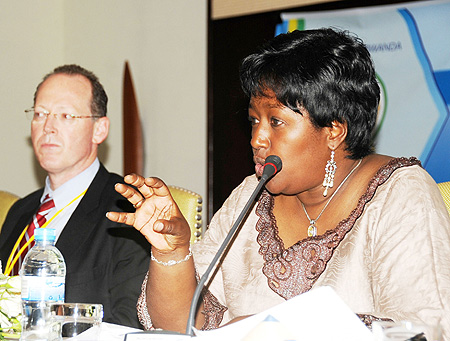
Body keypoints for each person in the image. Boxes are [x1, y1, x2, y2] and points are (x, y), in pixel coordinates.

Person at [107, 28, 450, 338]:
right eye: (254, 120)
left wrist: (276, 328)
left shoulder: (400, 193)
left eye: (276, 121)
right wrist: (172, 251)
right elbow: (181, 328)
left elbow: (425, 329)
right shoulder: (250, 196)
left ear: (334, 130)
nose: (257, 138)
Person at [0, 64, 150, 328]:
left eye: (66, 116)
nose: (48, 126)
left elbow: (132, 322)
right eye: (40, 113)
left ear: (99, 130)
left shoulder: (128, 209)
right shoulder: (19, 211)